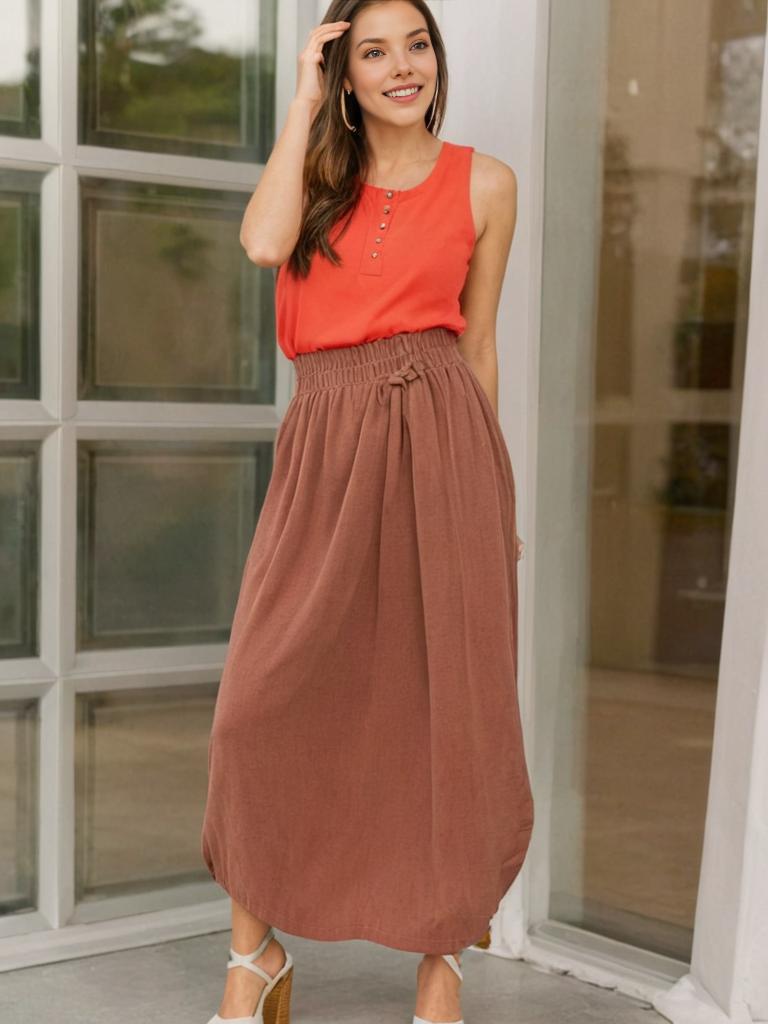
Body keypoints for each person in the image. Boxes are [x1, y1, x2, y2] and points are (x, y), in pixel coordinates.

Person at [200, 2, 534, 1022]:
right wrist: (305, 99)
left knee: (446, 713)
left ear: (439, 59)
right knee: (259, 702)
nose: (402, 68)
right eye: (374, 52)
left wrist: (497, 501)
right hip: (326, 439)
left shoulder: (487, 183)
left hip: (441, 442)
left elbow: (476, 349)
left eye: (417, 45)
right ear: (345, 72)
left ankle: (442, 967)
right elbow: (262, 245)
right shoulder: (313, 180)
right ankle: (254, 958)